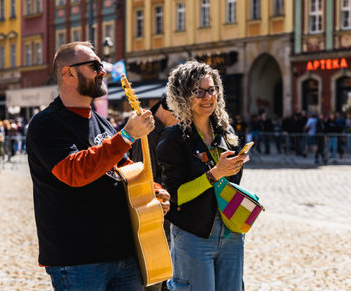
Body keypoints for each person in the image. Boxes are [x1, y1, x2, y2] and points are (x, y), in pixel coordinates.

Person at [26, 41, 170, 291]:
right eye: (94, 65)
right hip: (78, 258)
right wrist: (125, 136)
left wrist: (153, 190)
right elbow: (74, 172)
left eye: (101, 65)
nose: (102, 71)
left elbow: (125, 168)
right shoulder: (46, 124)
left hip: (124, 253)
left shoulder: (102, 123)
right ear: (68, 73)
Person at [157, 61, 249, 291]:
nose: (207, 97)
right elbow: (176, 195)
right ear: (182, 97)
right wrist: (215, 173)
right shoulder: (174, 138)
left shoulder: (226, 134)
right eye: (197, 92)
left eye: (211, 90)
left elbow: (230, 185)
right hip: (193, 234)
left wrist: (234, 167)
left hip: (231, 232)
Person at [131, 95, 178, 291]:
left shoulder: (170, 132)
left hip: (169, 221)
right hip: (154, 223)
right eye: (181, 114)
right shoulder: (148, 133)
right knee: (157, 283)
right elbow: (142, 179)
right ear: (168, 109)